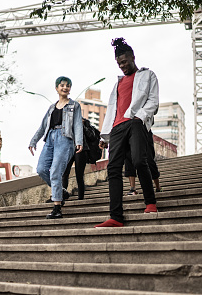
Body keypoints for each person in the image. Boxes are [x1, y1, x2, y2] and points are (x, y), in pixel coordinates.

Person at [96, 37, 159, 228]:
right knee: (113, 169)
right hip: (116, 128)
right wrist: (105, 136)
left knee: (140, 160)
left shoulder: (147, 75)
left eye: (125, 61)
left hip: (135, 122)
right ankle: (116, 216)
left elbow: (153, 101)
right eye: (119, 63)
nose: (122, 66)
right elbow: (112, 109)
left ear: (133, 57)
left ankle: (150, 203)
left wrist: (140, 117)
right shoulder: (118, 83)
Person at [29, 76, 83, 219]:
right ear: (57, 88)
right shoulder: (51, 107)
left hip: (65, 139)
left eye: (68, 86)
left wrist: (79, 141)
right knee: (41, 169)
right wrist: (33, 141)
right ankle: (62, 191)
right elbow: (42, 126)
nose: (65, 88)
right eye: (62, 85)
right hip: (50, 138)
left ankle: (57, 208)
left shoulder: (74, 106)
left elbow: (78, 124)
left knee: (55, 172)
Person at [62, 118, 100, 200]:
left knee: (79, 174)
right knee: (64, 174)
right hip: (69, 149)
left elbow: (92, 136)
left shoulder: (85, 122)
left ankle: (80, 197)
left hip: (82, 150)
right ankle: (62, 196)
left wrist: (82, 125)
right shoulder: (67, 121)